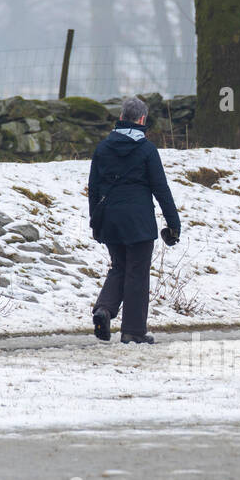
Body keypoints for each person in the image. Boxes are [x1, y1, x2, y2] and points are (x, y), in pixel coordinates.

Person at [87, 95, 181, 344]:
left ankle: (103, 310)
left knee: (119, 266)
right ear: (141, 120)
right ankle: (133, 331)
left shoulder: (103, 148)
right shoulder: (147, 150)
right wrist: (173, 224)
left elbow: (93, 189)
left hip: (110, 221)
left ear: (120, 118)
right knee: (137, 273)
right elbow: (161, 189)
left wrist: (95, 222)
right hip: (139, 222)